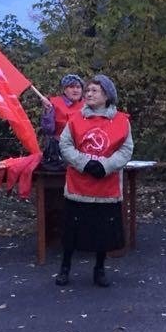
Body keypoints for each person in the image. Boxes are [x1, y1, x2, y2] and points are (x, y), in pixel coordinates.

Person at [57, 74, 134, 287]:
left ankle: (99, 269)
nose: (88, 94)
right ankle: (65, 268)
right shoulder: (75, 119)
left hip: (106, 186)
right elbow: (65, 145)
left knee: (103, 232)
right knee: (72, 231)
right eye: (88, 90)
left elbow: (126, 149)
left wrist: (105, 166)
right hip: (79, 184)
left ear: (107, 96)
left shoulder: (121, 121)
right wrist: (84, 163)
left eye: (94, 91)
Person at [38, 74, 84, 169]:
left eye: (78, 87)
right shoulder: (53, 103)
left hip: (83, 149)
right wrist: (47, 111)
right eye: (71, 87)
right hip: (59, 150)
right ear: (64, 89)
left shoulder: (87, 104)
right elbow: (48, 130)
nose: (75, 90)